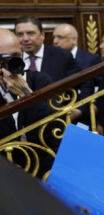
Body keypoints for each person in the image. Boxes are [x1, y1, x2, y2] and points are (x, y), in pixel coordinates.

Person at [14, 17, 92, 122]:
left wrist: (80, 109)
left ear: (42, 35)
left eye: (30, 33)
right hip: (23, 123)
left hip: (59, 120)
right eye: (20, 34)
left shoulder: (62, 56)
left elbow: (85, 82)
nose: (25, 38)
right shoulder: (13, 60)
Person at [0, 28, 55, 176]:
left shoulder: (39, 80)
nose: (11, 63)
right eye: (4, 58)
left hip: (41, 169)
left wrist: (27, 94)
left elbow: (56, 127)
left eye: (16, 56)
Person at [53, 23, 102, 88]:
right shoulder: (50, 59)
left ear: (74, 40)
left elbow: (98, 87)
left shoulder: (91, 60)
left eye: (60, 37)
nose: (55, 41)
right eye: (54, 37)